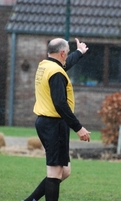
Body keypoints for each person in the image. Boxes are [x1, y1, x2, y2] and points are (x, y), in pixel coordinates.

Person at [22, 38, 91, 201]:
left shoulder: (45, 66)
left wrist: (79, 52)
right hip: (54, 125)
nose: (67, 57)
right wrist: (78, 128)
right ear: (61, 53)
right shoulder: (57, 73)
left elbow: (65, 64)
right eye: (66, 54)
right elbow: (60, 103)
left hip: (46, 123)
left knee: (64, 171)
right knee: (54, 173)